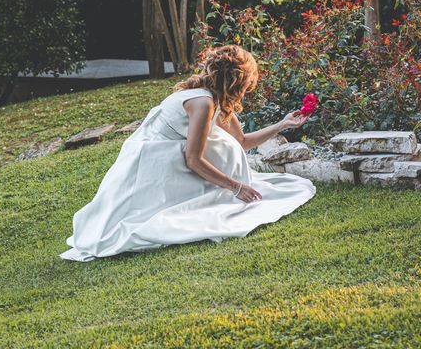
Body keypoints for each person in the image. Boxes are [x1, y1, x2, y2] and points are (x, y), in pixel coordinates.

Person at [59, 45, 316, 262]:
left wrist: (283, 124)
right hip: (153, 162)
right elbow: (192, 159)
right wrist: (235, 187)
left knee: (229, 147)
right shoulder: (202, 102)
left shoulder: (216, 100)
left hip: (169, 158)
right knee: (140, 222)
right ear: (239, 81)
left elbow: (242, 141)